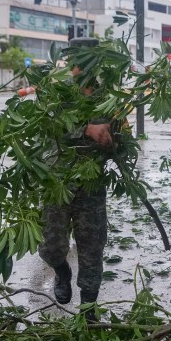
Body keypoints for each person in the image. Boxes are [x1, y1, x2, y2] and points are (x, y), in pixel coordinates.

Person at [38, 37, 118, 316]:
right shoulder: (56, 91)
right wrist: (86, 129)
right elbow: (49, 123)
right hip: (56, 181)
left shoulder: (109, 96)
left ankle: (89, 308)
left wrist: (111, 143)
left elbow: (121, 139)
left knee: (92, 245)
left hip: (92, 184)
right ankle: (61, 270)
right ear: (71, 61)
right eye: (78, 59)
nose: (81, 66)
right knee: (51, 244)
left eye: (89, 60)